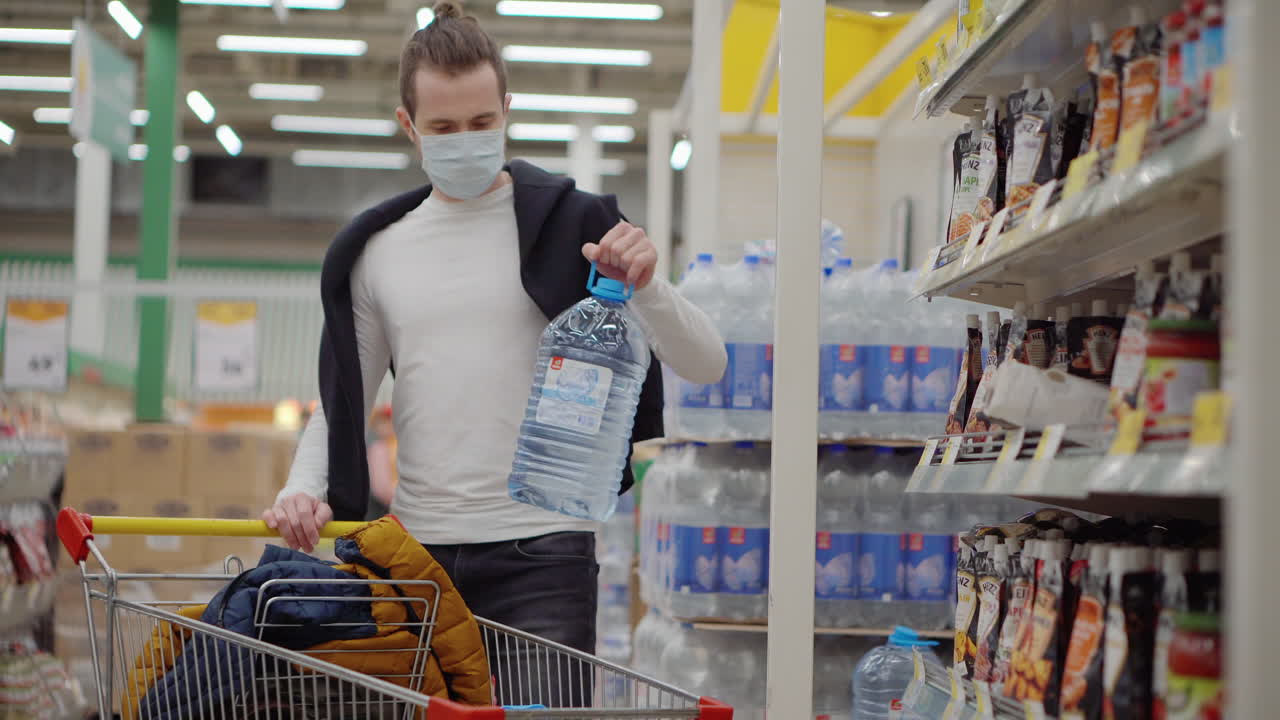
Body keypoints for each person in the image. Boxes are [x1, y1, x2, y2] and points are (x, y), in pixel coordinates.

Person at [262, 0, 726, 704]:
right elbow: (343, 400)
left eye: (482, 123)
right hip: (415, 560)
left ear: (507, 109)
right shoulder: (377, 253)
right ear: (408, 126)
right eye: (443, 128)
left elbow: (707, 364)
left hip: (544, 556)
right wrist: (302, 487)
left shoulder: (577, 227)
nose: (465, 140)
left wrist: (649, 285)